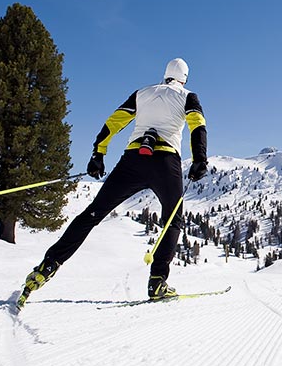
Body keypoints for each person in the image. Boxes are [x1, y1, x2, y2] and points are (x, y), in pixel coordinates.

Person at [16, 57, 208, 309]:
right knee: (172, 220)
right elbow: (198, 126)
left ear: (164, 75)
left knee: (92, 214)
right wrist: (199, 159)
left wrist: (98, 153)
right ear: (184, 78)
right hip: (165, 161)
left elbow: (114, 121)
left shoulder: (142, 93)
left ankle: (48, 265)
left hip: (133, 159)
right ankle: (158, 282)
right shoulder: (188, 96)